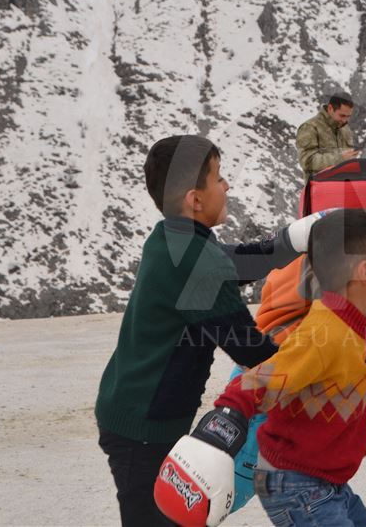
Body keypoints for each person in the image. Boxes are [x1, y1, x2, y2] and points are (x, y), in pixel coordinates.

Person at [94, 134, 326, 526]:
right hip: (144, 425)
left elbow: (233, 261)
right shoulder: (196, 261)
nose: (227, 185)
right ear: (195, 199)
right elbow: (250, 350)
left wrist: (291, 240)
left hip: (133, 407)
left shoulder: (172, 237)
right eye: (219, 178)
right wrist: (318, 367)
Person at [154, 208, 366, 526]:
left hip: (327, 480)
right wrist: (223, 421)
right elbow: (263, 378)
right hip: (296, 486)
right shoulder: (324, 334)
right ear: (365, 273)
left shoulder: (357, 319)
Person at [296, 93, 360, 180]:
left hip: (344, 186)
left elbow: (348, 158)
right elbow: (307, 161)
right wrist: (340, 158)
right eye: (342, 115)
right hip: (319, 187)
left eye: (348, 116)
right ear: (330, 108)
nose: (345, 120)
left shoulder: (345, 129)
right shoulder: (310, 127)